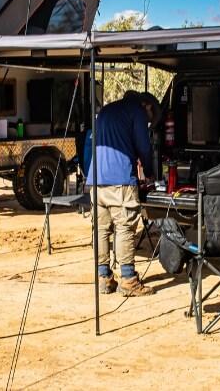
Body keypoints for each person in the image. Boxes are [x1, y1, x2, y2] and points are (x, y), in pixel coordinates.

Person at [87, 90, 160, 296]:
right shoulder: (137, 111)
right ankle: (128, 280)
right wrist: (149, 172)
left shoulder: (106, 110)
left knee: (101, 229)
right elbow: (143, 147)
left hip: (96, 178)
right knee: (125, 227)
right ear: (146, 106)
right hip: (119, 179)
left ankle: (104, 277)